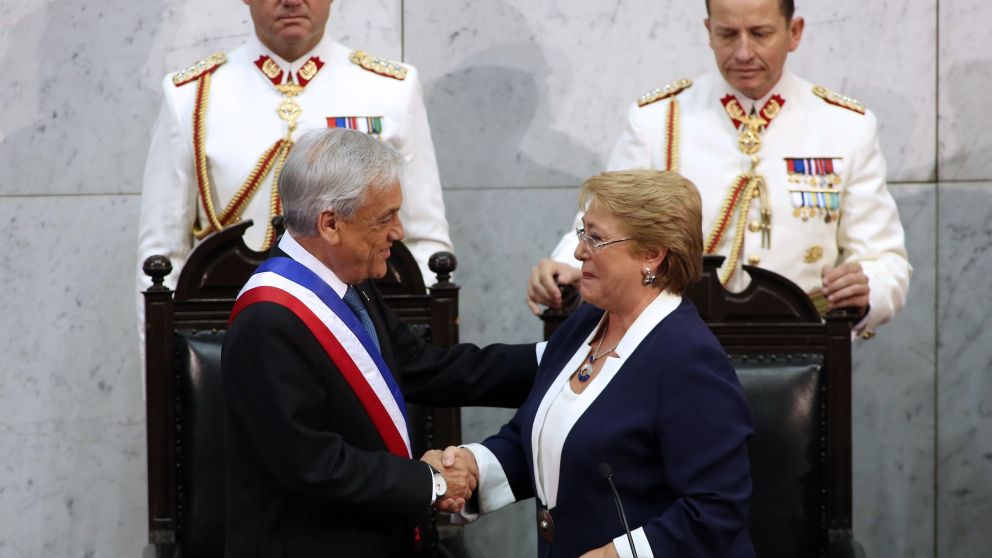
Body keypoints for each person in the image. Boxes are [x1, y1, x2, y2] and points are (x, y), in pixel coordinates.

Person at [222, 128, 535, 557]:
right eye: (384, 217)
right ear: (330, 223)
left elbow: (424, 367)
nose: (399, 232)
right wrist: (431, 481)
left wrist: (554, 360)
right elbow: (312, 464)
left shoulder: (352, 284)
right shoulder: (268, 318)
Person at [527, 0, 910, 339]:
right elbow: (601, 223)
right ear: (709, 32)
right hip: (669, 342)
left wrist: (866, 290)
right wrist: (565, 269)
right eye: (728, 34)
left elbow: (885, 260)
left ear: (794, 33)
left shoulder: (846, 126)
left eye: (760, 34)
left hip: (802, 347)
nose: (743, 52)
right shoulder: (659, 119)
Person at [436, 170, 755, 557]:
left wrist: (617, 555)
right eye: (581, 233)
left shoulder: (689, 359)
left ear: (653, 254)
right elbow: (535, 439)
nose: (578, 251)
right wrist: (471, 468)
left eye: (597, 238)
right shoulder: (587, 322)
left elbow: (716, 509)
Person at [137, 0, 451, 299]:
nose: (291, 1)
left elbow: (426, 244)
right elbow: (161, 259)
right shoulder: (191, 96)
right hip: (233, 331)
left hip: (359, 327)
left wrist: (413, 347)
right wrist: (163, 355)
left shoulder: (390, 90)